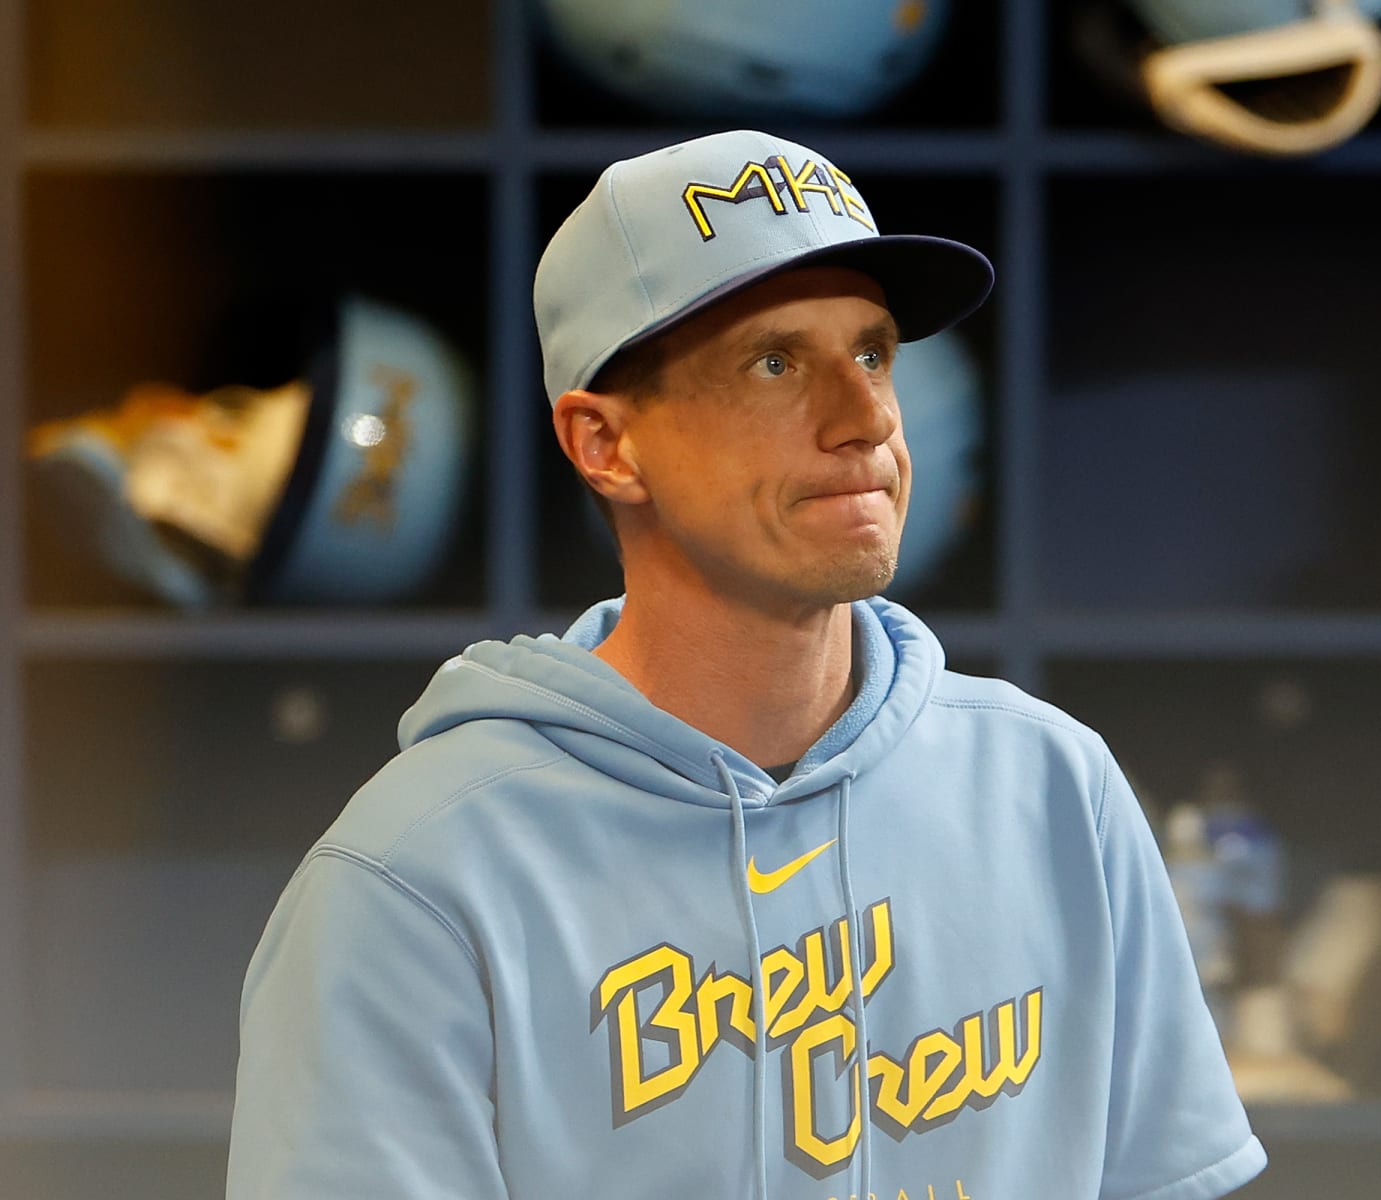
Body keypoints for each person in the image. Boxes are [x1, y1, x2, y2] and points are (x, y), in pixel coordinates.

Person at [227, 129, 1266, 1200]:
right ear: (604, 445)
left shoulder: (1054, 786)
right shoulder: (416, 881)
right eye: (775, 363)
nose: (868, 419)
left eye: (873, 354)